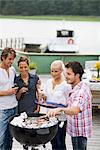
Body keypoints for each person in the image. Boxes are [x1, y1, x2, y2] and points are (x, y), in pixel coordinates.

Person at [47, 61, 93, 150]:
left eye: (69, 74)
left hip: (79, 131)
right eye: (66, 73)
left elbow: (75, 109)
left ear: (77, 75)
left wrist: (59, 109)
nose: (66, 76)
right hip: (75, 129)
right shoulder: (74, 87)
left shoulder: (81, 91)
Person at [40, 60, 71, 150]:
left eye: (56, 71)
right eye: (52, 71)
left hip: (60, 117)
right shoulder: (49, 82)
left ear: (61, 71)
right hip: (49, 116)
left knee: (60, 142)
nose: (53, 73)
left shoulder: (66, 85)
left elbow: (69, 102)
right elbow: (45, 98)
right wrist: (43, 96)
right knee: (53, 141)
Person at [15, 56, 41, 150]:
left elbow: (39, 94)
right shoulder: (16, 80)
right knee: (24, 134)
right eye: (21, 67)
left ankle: (35, 148)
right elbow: (16, 98)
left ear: (28, 67)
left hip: (34, 109)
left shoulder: (35, 78)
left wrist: (38, 108)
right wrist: (20, 91)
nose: (23, 69)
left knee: (35, 132)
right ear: (18, 67)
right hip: (22, 111)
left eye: (25, 67)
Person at [0, 47, 18, 150]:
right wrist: (8, 92)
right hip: (2, 110)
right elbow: (8, 90)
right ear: (3, 58)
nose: (12, 62)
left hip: (14, 107)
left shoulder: (13, 70)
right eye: (9, 59)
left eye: (13, 59)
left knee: (9, 138)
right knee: (1, 139)